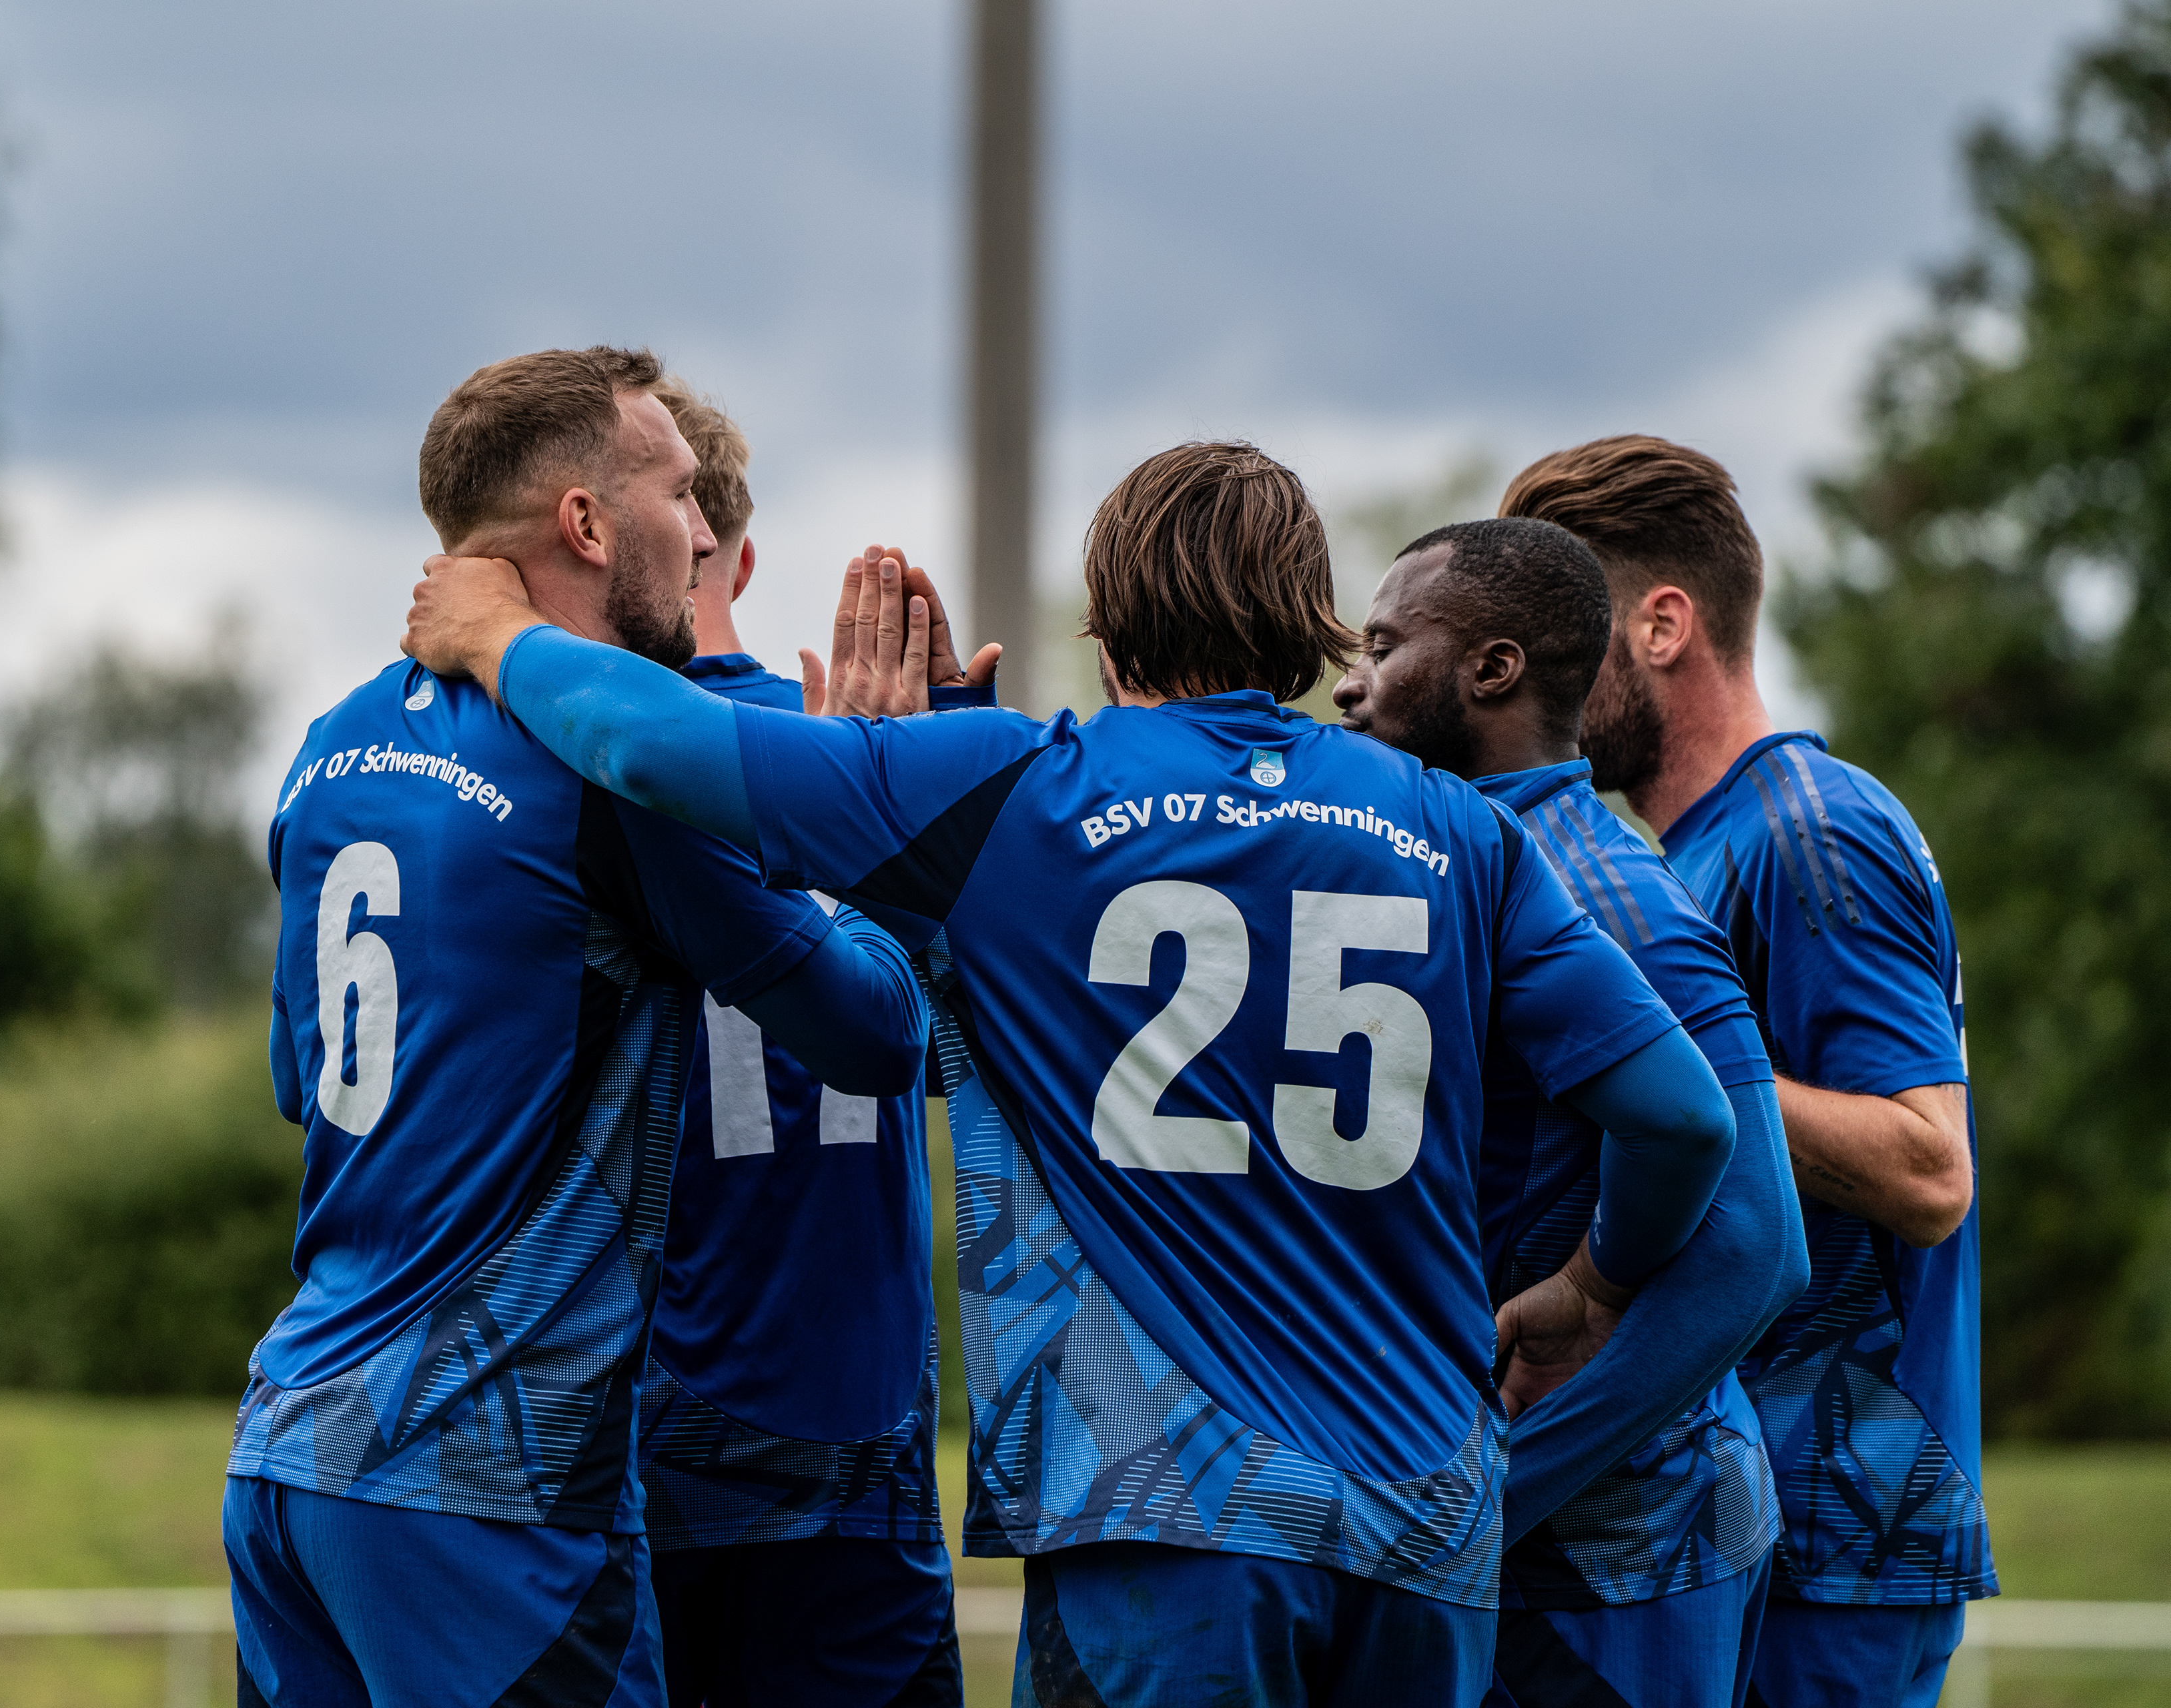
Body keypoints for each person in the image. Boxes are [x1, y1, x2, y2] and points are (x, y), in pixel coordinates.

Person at [402, 438, 1752, 1707]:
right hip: (1422, 1535)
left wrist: (495, 631)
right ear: (1312, 620)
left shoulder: (1019, 788)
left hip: (1166, 1519)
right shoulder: (1465, 829)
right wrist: (1595, 1283)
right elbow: (1685, 1118)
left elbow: (646, 743)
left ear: (1107, 629)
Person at [223, 346, 928, 1708]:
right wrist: (874, 829)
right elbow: (877, 1031)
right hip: (487, 1486)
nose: (705, 533)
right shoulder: (607, 766)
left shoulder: (329, 749)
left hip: (290, 1456)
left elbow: (299, 1080)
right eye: (679, 494)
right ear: (589, 525)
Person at [1501, 436, 1992, 1708]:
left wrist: (1669, 1078)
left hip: (1843, 1528)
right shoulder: (1688, 851)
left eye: (1569, 634)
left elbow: (1930, 1170)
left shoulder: (1811, 829)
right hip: (1749, 1523)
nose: (1543, 673)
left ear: (1663, 626)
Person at [1332, 515, 1809, 1707]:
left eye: (1383, 648)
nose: (1348, 684)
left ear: (1492, 670)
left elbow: (1758, 1246)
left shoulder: (1607, 892)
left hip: (1625, 1558)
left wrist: (1485, 1507)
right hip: (1520, 1556)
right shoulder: (1464, 863)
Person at [634, 378, 976, 1707]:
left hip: (641, 1425)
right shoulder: (875, 746)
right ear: (738, 554)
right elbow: (954, 1052)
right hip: (856, 1423)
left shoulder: (578, 760)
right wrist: (938, 804)